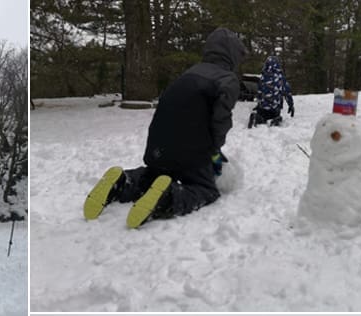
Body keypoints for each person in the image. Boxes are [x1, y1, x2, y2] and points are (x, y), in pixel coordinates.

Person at [83, 27, 248, 228]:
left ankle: (122, 182)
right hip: (190, 150)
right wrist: (215, 150)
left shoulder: (188, 73)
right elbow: (220, 120)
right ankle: (169, 198)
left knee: (153, 176)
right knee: (206, 189)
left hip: (157, 146)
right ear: (231, 54)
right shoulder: (227, 79)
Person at [248, 56, 294, 128]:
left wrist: (258, 105)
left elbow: (259, 93)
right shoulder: (281, 78)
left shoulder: (263, 77)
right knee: (276, 112)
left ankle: (258, 117)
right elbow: (287, 93)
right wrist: (291, 105)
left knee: (262, 114)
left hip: (263, 109)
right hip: (275, 109)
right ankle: (275, 119)